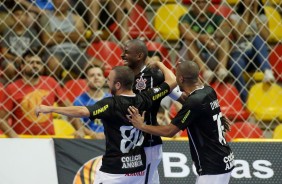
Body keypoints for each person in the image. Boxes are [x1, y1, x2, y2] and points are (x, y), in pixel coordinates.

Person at [35, 61, 177, 184]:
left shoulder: (111, 104)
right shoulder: (146, 98)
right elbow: (172, 81)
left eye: (109, 79)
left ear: (118, 84)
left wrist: (51, 108)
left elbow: (82, 111)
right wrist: (160, 64)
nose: (106, 82)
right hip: (138, 170)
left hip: (115, 171)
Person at [127, 61, 234, 184]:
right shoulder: (208, 91)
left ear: (181, 79)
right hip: (224, 159)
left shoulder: (194, 102)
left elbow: (169, 131)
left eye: (176, 76)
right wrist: (161, 65)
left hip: (213, 166)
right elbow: (198, 107)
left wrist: (141, 125)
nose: (175, 80)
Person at [121, 39, 184, 184]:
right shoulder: (122, 76)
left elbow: (180, 97)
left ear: (139, 56)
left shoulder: (155, 76)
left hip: (148, 142)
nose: (122, 56)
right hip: (128, 142)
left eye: (126, 52)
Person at [0, 50, 72, 137]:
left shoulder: (51, 82)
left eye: (38, 63)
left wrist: (79, 129)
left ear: (43, 67)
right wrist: (15, 137)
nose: (35, 65)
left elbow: (70, 109)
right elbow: (2, 119)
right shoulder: (11, 88)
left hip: (48, 139)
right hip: (23, 138)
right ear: (22, 66)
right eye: (30, 62)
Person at [228, 0, 275, 103]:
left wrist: (254, 13)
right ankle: (245, 99)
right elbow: (239, 35)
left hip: (257, 55)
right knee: (234, 64)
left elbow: (266, 37)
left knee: (257, 38)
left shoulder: (262, 17)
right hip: (241, 52)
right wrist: (247, 12)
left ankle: (267, 70)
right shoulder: (234, 16)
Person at [178, 0, 231, 83]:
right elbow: (185, 31)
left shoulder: (216, 17)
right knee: (189, 41)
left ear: (209, 3)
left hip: (211, 52)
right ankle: (205, 72)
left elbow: (227, 29)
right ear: (193, 3)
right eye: (198, 2)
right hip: (191, 59)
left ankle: (222, 70)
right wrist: (201, 38)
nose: (201, 5)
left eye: (204, 2)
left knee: (224, 39)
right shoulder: (186, 17)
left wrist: (213, 37)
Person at [39, 0, 88, 80]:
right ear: (53, 2)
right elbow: (47, 39)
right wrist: (72, 34)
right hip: (54, 52)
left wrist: (57, 34)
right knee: (54, 64)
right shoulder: (45, 17)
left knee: (96, 65)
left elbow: (81, 37)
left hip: (76, 52)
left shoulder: (77, 18)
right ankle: (54, 89)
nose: (61, 2)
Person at [1, 4, 41, 83]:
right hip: (11, 59)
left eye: (22, 14)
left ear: (26, 17)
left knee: (35, 65)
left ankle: (30, 83)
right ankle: (11, 84)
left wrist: (26, 59)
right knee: (10, 67)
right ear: (12, 17)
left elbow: (35, 50)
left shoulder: (32, 31)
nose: (20, 17)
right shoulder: (7, 31)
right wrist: (15, 58)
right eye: (17, 15)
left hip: (27, 59)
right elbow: (4, 52)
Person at [72, 65, 111, 139]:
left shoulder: (113, 99)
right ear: (86, 80)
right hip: (90, 140)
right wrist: (93, 134)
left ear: (104, 79)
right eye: (92, 75)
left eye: (99, 75)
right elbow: (79, 126)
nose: (96, 78)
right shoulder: (79, 101)